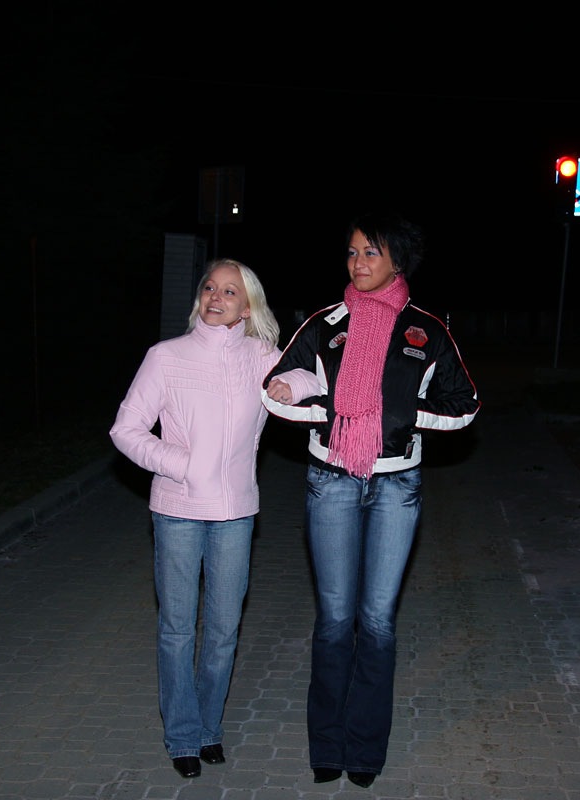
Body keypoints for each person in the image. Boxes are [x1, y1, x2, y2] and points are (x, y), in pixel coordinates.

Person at [262, 212, 480, 787]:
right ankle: (326, 746)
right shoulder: (325, 324)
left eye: (371, 253)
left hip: (396, 488)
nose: (358, 263)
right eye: (353, 252)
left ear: (397, 261)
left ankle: (364, 751)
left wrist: (402, 418)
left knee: (377, 622)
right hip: (331, 481)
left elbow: (465, 404)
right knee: (335, 620)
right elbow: (276, 391)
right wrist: (327, 412)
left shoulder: (425, 331)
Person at [110, 258, 282, 780]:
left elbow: (307, 379)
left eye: (230, 291)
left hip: (235, 512)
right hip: (178, 510)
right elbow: (125, 429)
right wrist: (180, 464)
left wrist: (294, 387)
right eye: (210, 287)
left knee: (224, 629)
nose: (216, 297)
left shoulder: (262, 358)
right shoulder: (166, 357)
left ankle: (209, 728)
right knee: (177, 629)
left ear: (247, 307)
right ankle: (183, 735)